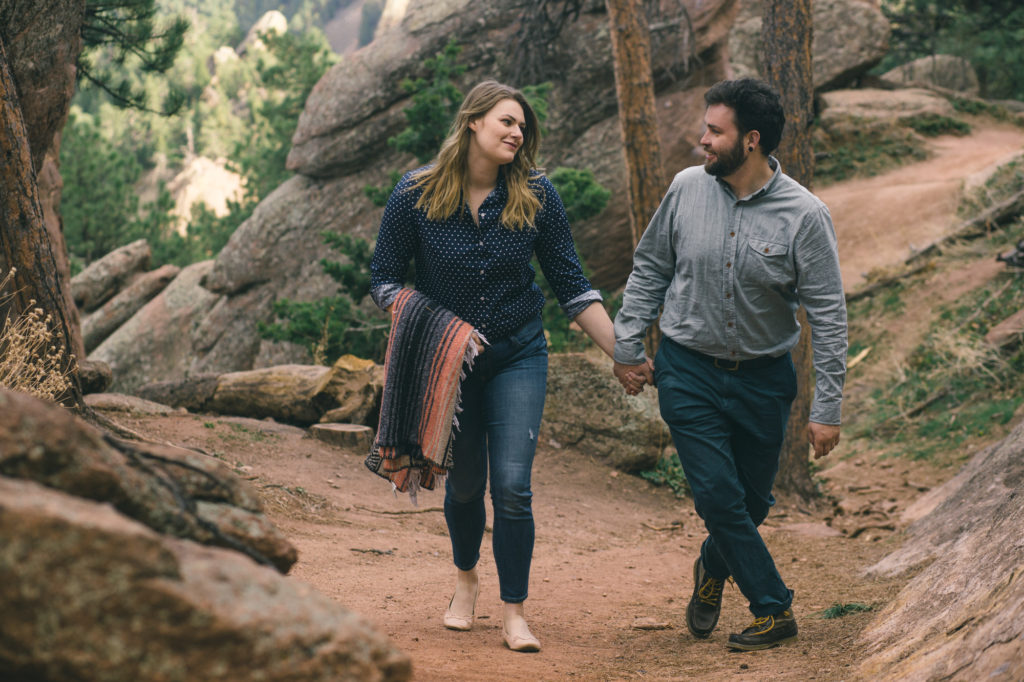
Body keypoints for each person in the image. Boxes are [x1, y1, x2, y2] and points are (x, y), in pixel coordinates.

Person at [369, 80, 618, 652]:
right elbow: (384, 278)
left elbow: (572, 286)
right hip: (448, 366)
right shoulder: (415, 193)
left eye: (522, 127)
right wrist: (434, 324)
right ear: (474, 122)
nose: (517, 133)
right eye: (507, 121)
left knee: (512, 487)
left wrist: (626, 356)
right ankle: (464, 581)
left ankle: (515, 613)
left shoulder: (537, 194)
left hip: (518, 354)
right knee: (463, 489)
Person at [612, 78, 847, 651]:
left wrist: (828, 407)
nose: (702, 140)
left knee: (753, 502)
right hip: (687, 369)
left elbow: (829, 314)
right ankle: (773, 607)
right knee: (718, 496)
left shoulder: (805, 216)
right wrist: (627, 344)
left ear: (752, 141)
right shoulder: (686, 189)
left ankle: (713, 567)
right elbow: (650, 270)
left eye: (715, 132)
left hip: (764, 380)